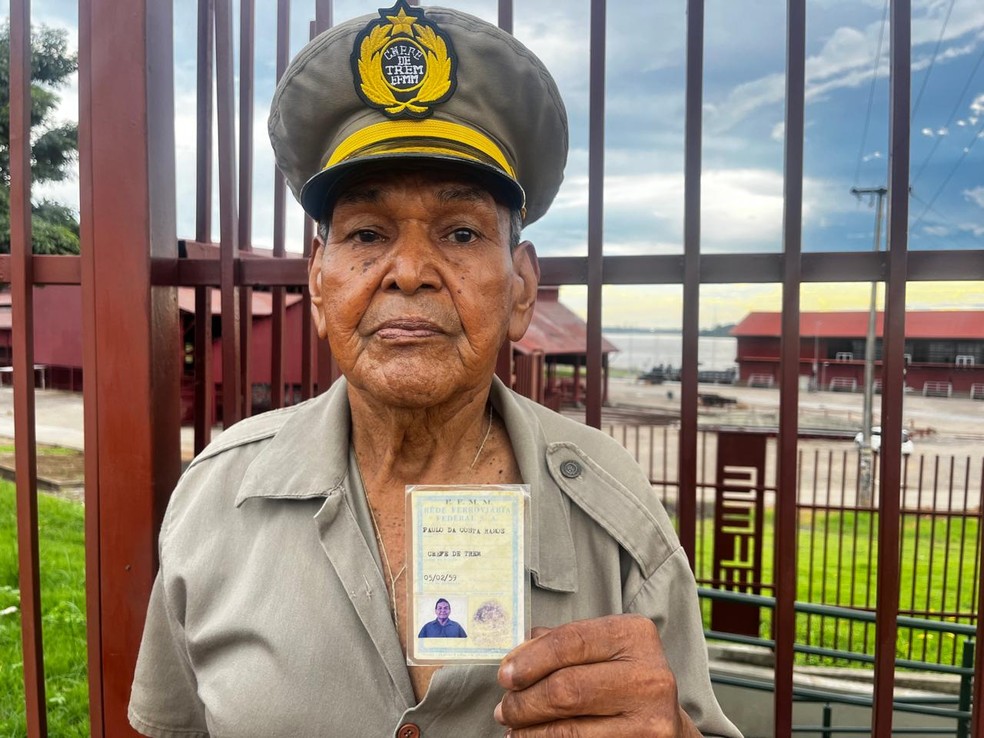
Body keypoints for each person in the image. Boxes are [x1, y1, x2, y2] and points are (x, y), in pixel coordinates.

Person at [128, 3, 742, 736]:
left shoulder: (616, 514)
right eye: (366, 232)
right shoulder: (217, 498)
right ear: (319, 284)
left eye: (459, 231)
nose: (411, 271)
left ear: (520, 288)